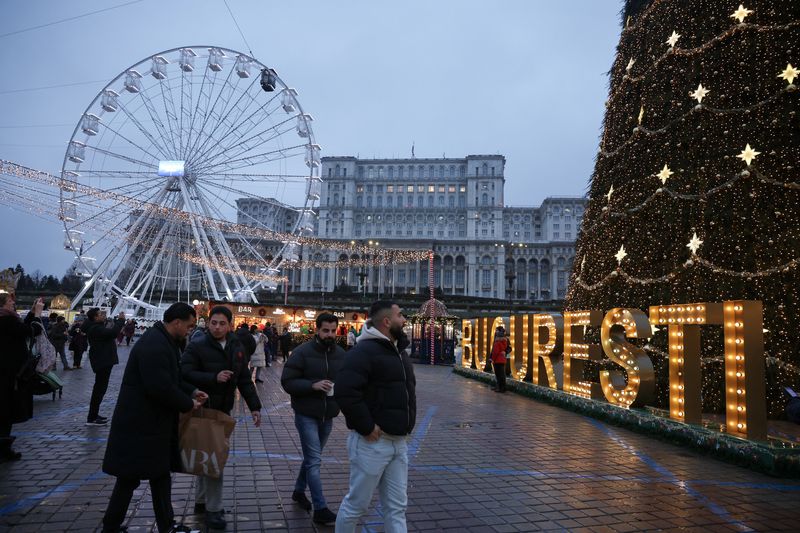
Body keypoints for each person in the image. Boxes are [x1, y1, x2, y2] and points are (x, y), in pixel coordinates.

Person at [101, 303, 207, 533]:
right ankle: (153, 526)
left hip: (146, 424)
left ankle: (152, 525)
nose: (191, 330)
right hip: (142, 424)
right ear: (176, 322)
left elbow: (172, 378)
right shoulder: (155, 345)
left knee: (149, 477)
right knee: (140, 478)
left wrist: (190, 390)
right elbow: (159, 386)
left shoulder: (162, 340)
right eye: (189, 325)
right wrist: (188, 403)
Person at [334, 300, 416, 533]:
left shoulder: (399, 353)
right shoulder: (363, 352)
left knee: (397, 507)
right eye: (400, 315)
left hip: (399, 443)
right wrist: (366, 426)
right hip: (373, 442)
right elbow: (345, 391)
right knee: (356, 505)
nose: (404, 319)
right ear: (387, 321)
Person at [181, 306, 262, 530]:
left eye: (222, 323)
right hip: (203, 408)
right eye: (213, 323)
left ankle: (200, 501)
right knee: (215, 458)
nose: (217, 327)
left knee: (207, 455)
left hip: (222, 411)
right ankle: (214, 510)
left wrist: (255, 406)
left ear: (230, 324)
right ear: (208, 323)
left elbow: (244, 378)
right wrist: (212, 378)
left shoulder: (236, 346)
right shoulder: (197, 345)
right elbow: (184, 374)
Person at [280, 312, 345, 526]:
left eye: (333, 331)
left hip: (328, 415)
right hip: (306, 413)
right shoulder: (301, 352)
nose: (329, 334)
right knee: (315, 460)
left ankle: (299, 491)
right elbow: (287, 381)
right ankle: (320, 508)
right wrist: (312, 385)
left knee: (311, 458)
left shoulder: (341, 355)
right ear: (316, 329)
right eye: (325, 330)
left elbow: (347, 382)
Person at [0, 294, 43, 463]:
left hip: (6, 372)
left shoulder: (7, 321)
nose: (14, 304)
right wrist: (38, 315)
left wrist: (32, 313)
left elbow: (22, 329)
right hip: (9, 373)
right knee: (6, 410)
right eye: (11, 302)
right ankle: (3, 449)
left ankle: (4, 447)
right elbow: (32, 331)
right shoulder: (7, 322)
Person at [82, 308, 126, 426]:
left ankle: (94, 415)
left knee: (100, 389)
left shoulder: (95, 327)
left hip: (102, 360)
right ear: (95, 317)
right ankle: (92, 418)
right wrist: (121, 321)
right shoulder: (96, 329)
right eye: (100, 314)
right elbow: (113, 333)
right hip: (103, 361)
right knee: (99, 389)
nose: (103, 315)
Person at [491, 326, 509, 393]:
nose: (495, 331)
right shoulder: (504, 340)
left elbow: (495, 351)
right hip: (502, 359)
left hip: (497, 359)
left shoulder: (498, 341)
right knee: (501, 374)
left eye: (496, 330)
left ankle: (500, 388)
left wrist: (492, 358)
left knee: (498, 374)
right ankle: (500, 387)